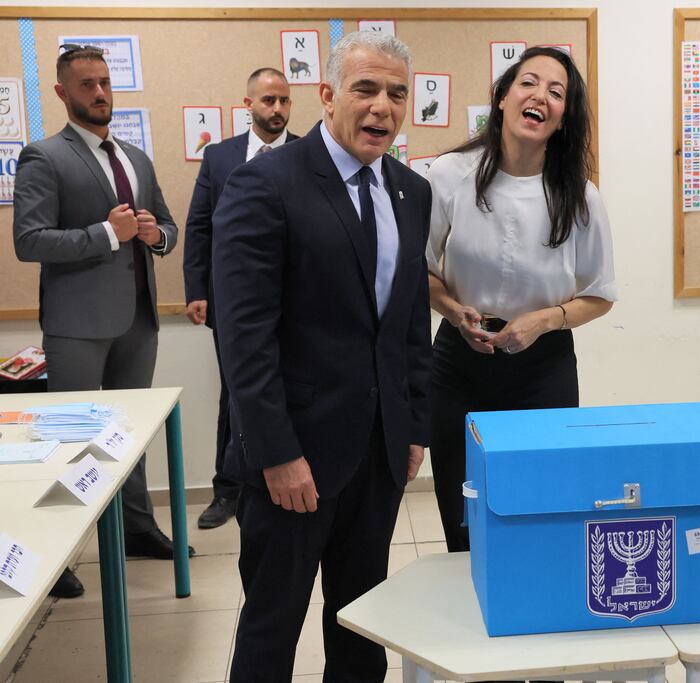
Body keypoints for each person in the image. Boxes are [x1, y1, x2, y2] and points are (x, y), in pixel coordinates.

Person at [213, 31, 431, 682]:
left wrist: (415, 422)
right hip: (293, 462)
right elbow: (244, 338)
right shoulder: (265, 185)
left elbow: (408, 321)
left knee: (363, 623)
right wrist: (277, 451)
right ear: (329, 94)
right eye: (365, 89)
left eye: (397, 93)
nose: (382, 107)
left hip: (379, 454)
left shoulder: (409, 192)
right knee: (272, 625)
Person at [13, 44, 193, 599]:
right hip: (77, 326)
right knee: (71, 445)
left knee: (129, 437)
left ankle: (137, 528)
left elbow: (166, 225)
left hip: (138, 318)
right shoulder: (44, 156)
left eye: (105, 82)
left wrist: (153, 235)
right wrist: (106, 234)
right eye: (87, 85)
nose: (99, 93)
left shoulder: (135, 157)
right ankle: (58, 554)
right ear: (64, 94)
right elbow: (29, 241)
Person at [427, 46, 617, 552]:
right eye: (529, 83)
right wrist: (452, 310)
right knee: (461, 505)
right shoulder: (449, 174)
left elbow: (599, 296)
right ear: (503, 97)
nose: (541, 97)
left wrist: (545, 320)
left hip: (543, 367)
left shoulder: (580, 196)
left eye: (557, 93)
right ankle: (466, 607)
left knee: (542, 503)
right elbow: (419, 270)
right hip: (458, 361)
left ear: (563, 118)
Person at [183, 67, 299, 530]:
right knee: (236, 393)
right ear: (248, 103)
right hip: (233, 304)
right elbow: (199, 226)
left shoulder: (309, 154)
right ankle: (227, 489)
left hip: (296, 305)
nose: (277, 109)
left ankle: (286, 475)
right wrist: (196, 290)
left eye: (284, 101)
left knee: (289, 389)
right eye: (268, 100)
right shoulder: (220, 156)